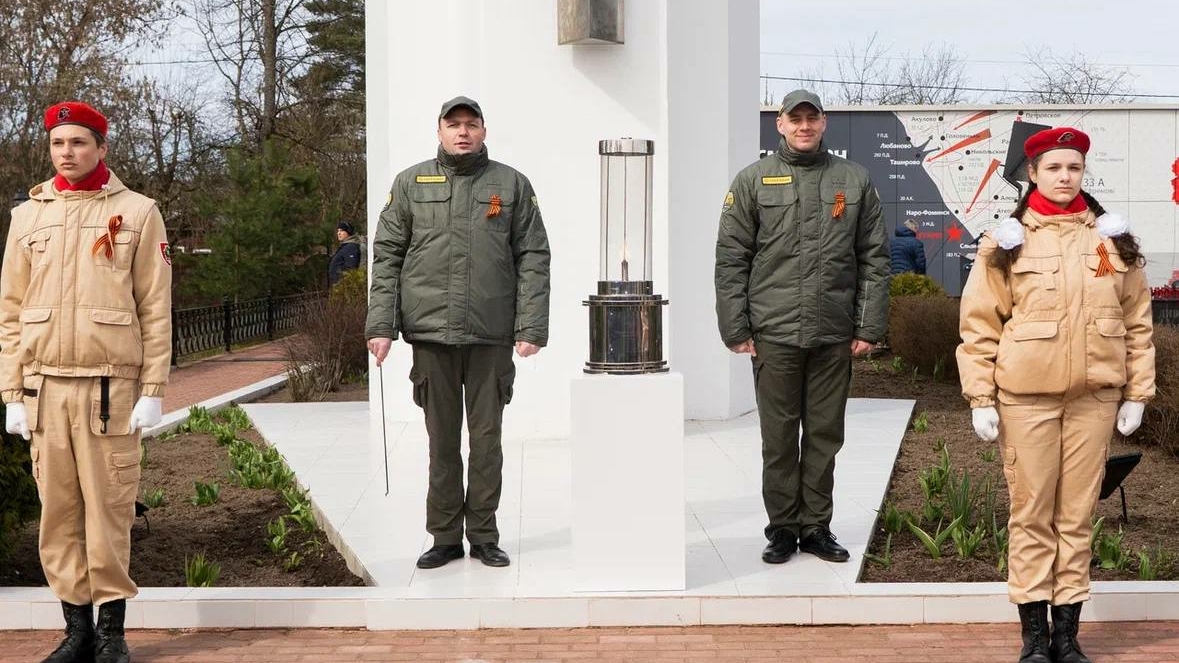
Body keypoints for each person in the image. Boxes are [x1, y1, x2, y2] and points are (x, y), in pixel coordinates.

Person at [957, 127, 1154, 663]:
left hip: (1094, 400)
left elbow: (1138, 322)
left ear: (1083, 173)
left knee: (1076, 516)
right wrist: (980, 397)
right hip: (1028, 400)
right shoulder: (1007, 240)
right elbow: (979, 325)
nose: (1065, 177)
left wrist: (1138, 392)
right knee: (1031, 514)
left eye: (1074, 168)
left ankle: (1067, 637)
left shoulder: (1114, 241)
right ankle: (1035, 640)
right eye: (1054, 168)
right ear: (1033, 174)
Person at [0, 102, 172, 663]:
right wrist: (11, 394)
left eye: (78, 142)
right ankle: (75, 631)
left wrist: (153, 388)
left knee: (110, 511)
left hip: (110, 390)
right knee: (59, 515)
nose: (66, 153)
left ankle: (111, 634)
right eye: (58, 143)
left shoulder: (139, 212)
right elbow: (10, 309)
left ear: (101, 147)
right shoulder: (28, 217)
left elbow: (155, 307)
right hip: (45, 389)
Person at [366, 96, 550, 570]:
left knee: (486, 442)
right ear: (440, 131)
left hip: (491, 337)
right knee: (441, 442)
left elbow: (533, 256)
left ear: (484, 130)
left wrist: (531, 326)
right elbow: (386, 256)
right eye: (454, 125)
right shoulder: (410, 183)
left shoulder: (510, 184)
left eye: (472, 124)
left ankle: (484, 535)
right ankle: (445, 536)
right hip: (432, 337)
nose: (463, 132)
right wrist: (381, 325)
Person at [714, 89, 890, 566]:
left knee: (824, 435)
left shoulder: (852, 180)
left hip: (833, 333)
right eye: (796, 119)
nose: (804, 126)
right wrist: (736, 326)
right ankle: (782, 529)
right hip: (774, 332)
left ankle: (815, 527)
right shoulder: (752, 181)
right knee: (778, 436)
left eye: (812, 118)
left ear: (824, 123)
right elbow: (732, 259)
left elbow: (874, 258)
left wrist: (868, 326)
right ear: (780, 123)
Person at [328, 221, 363, 285]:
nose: (338, 233)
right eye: (338, 231)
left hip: (344, 285)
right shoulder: (345, 247)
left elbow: (351, 268)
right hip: (339, 285)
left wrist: (342, 282)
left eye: (341, 231)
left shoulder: (351, 247)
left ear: (348, 232)